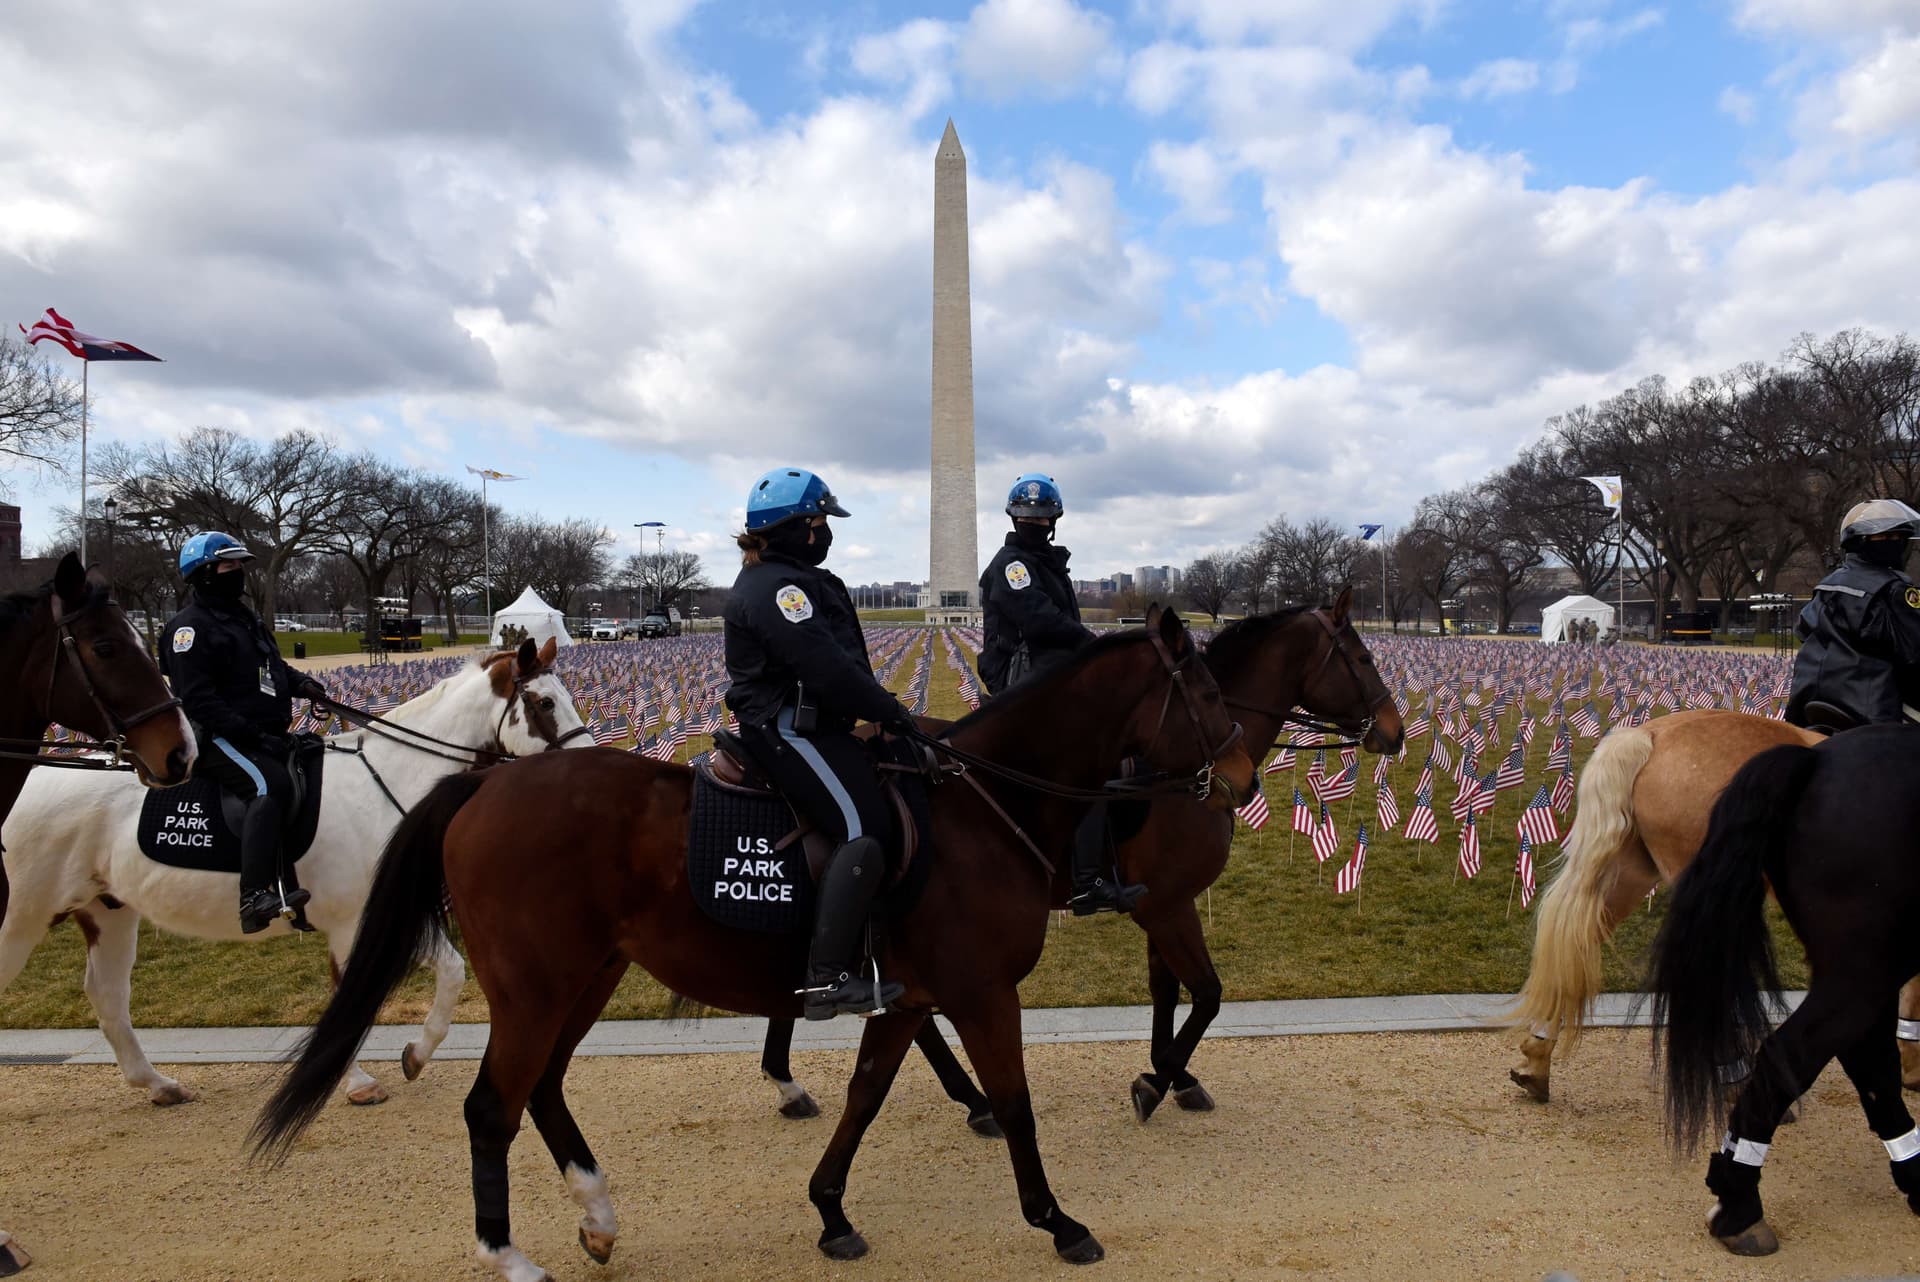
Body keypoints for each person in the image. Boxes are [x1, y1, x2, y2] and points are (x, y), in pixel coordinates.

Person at [723, 468, 915, 1019]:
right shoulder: (778, 588)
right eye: (817, 521)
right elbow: (824, 666)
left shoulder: (788, 578)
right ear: (793, 527)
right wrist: (888, 709)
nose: (824, 532)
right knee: (864, 827)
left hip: (813, 723)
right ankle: (826, 976)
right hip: (786, 727)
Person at [977, 472, 1141, 915]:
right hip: (1024, 683)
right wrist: (1093, 645)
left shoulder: (1047, 564)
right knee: (1084, 767)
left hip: (1051, 678)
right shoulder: (1012, 565)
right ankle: (1087, 883)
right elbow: (1040, 619)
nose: (1035, 522)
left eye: (1041, 516)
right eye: (1030, 516)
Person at [161, 533, 330, 933]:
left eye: (239, 565)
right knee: (269, 787)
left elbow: (271, 667)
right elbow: (198, 700)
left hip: (263, 732)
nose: (238, 573)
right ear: (203, 575)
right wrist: (254, 736)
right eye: (228, 566)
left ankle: (289, 885)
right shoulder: (189, 629)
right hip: (218, 737)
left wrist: (302, 683)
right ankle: (253, 896)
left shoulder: (243, 617)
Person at [1785, 498, 1920, 729]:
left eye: (1899, 537)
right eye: (1886, 537)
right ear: (1861, 541)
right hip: (1871, 704)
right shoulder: (1895, 588)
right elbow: (1915, 653)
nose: (1895, 543)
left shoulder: (1827, 585)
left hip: (1809, 699)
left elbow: (1804, 631)